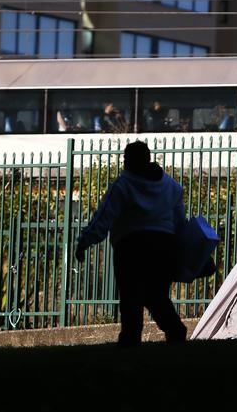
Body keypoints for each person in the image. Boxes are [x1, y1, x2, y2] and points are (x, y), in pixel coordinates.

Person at [74, 141, 188, 347]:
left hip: (131, 245)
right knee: (156, 295)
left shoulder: (124, 184)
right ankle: (174, 329)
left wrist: (85, 241)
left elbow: (104, 216)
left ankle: (131, 338)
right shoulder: (171, 186)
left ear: (128, 160)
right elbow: (179, 220)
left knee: (130, 296)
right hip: (164, 245)